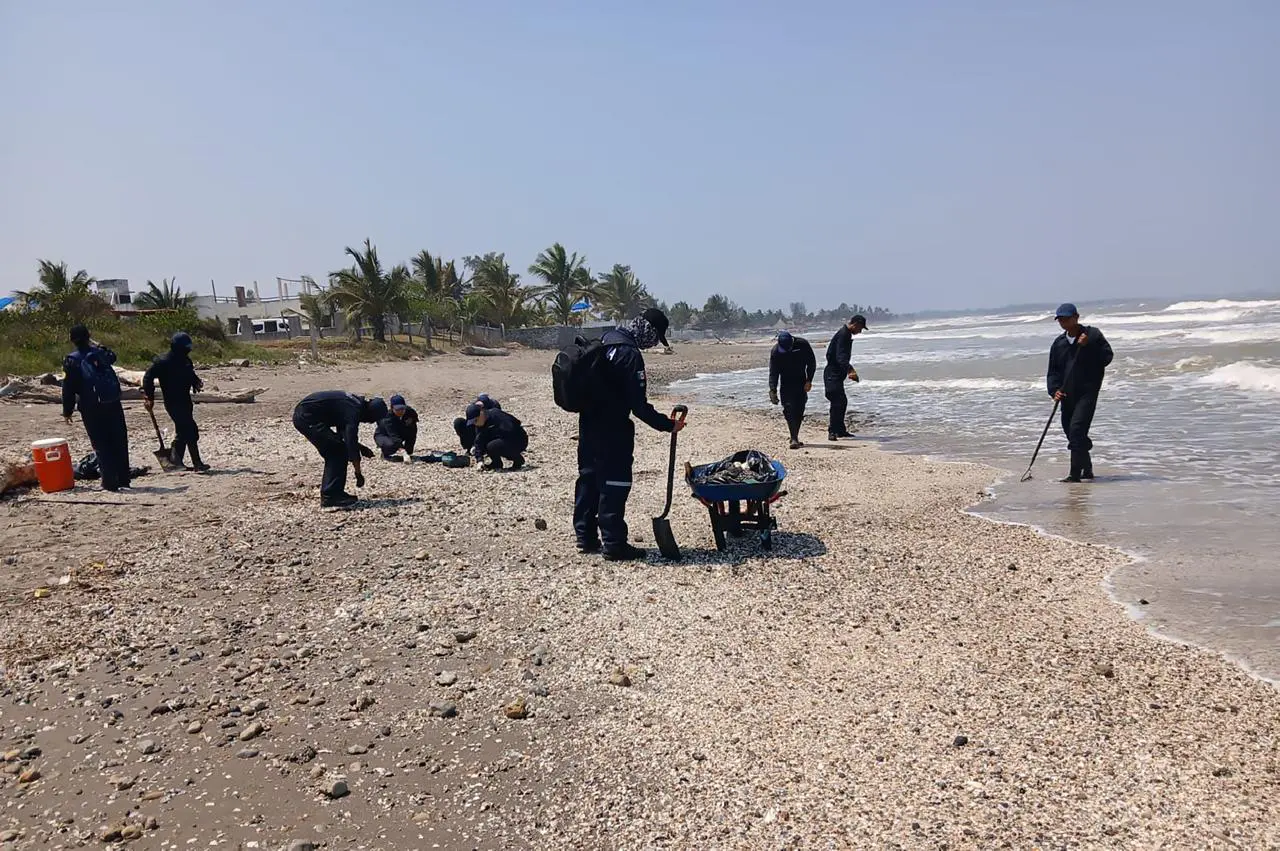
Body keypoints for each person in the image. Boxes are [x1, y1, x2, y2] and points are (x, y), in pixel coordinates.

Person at [574, 307, 686, 561]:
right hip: (613, 427)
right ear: (649, 330)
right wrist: (668, 425)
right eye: (656, 337)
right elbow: (638, 406)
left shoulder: (607, 339)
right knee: (615, 481)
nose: (654, 343)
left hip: (588, 422)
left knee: (589, 477)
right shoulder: (629, 354)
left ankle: (585, 536)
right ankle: (614, 543)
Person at [1046, 303, 1114, 482]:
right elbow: (1053, 371)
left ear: (1076, 317)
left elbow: (1107, 357)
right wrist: (1054, 391)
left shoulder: (1092, 335)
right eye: (1060, 320)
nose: (1064, 323)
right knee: (1071, 432)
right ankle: (1087, 468)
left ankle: (1074, 474)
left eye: (1067, 319)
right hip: (1066, 394)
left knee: (1076, 430)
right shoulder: (1059, 344)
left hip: (1087, 392)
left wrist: (1089, 345)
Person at [61, 324, 132, 491]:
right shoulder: (101, 353)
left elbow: (68, 388)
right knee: (119, 440)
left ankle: (109, 482)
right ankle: (124, 480)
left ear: (72, 340)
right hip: (112, 402)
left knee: (101, 444)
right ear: (89, 336)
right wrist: (98, 344)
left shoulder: (72, 360)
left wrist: (67, 411)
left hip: (90, 406)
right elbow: (113, 356)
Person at [291, 391, 387, 507]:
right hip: (307, 418)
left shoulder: (353, 403)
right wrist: (358, 473)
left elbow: (344, 435)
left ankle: (335, 494)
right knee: (336, 453)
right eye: (370, 420)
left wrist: (360, 447)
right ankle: (330, 497)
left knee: (338, 448)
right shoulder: (353, 411)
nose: (367, 422)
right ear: (370, 414)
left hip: (306, 415)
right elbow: (350, 442)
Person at [142, 332, 208, 471]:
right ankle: (197, 464)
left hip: (185, 400)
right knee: (190, 430)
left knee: (183, 430)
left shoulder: (185, 360)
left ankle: (175, 462)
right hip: (173, 403)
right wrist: (149, 397)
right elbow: (148, 377)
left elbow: (190, 374)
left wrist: (195, 382)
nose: (188, 350)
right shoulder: (163, 361)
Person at [769, 331, 817, 448]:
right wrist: (773, 390)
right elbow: (773, 372)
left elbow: (811, 363)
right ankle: (794, 438)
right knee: (789, 409)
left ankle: (795, 436)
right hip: (786, 383)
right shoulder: (776, 351)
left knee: (799, 410)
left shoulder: (803, 345)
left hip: (801, 381)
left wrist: (809, 380)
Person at [823, 314, 866, 440]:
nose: (860, 331)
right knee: (837, 401)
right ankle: (832, 431)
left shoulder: (845, 334)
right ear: (855, 324)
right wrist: (850, 370)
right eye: (861, 328)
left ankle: (840, 430)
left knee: (841, 402)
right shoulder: (844, 334)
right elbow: (840, 357)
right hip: (832, 374)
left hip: (835, 373)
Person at [466, 402, 528, 470]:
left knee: (493, 445)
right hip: (501, 440)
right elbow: (478, 442)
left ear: (481, 413)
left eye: (476, 420)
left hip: (518, 439)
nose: (475, 423)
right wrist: (479, 460)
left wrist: (495, 434)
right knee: (488, 444)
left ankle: (518, 460)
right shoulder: (480, 425)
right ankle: (496, 464)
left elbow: (515, 425)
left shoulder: (496, 414)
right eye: (473, 422)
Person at [374, 394, 418, 460]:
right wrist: (403, 452)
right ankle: (385, 453)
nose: (400, 411)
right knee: (391, 445)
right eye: (397, 409)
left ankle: (408, 452)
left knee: (411, 431)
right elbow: (393, 435)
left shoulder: (410, 412)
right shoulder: (388, 418)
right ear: (392, 408)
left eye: (402, 408)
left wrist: (409, 452)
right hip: (383, 435)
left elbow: (413, 428)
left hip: (399, 431)